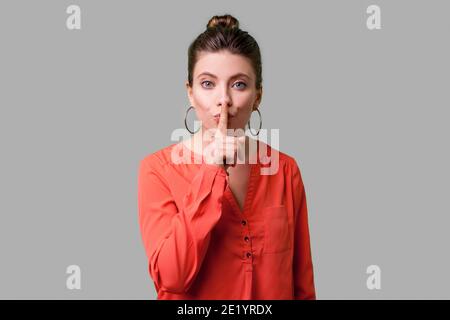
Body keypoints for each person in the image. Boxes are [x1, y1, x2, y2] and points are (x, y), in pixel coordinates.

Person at [138, 14, 316, 299]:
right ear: (190, 93)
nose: (224, 100)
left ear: (258, 96)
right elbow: (171, 278)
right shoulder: (156, 170)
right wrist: (211, 170)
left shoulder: (285, 170)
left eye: (239, 84)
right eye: (208, 84)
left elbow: (302, 285)